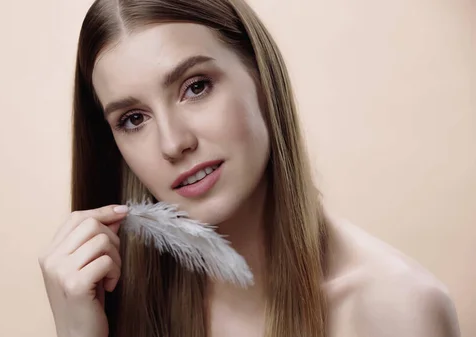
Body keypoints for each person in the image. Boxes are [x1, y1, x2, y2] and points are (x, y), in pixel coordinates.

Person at [38, 0, 461, 336]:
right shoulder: (105, 297)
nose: (173, 143)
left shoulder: (401, 311)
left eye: (196, 87)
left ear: (261, 76)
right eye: (133, 118)